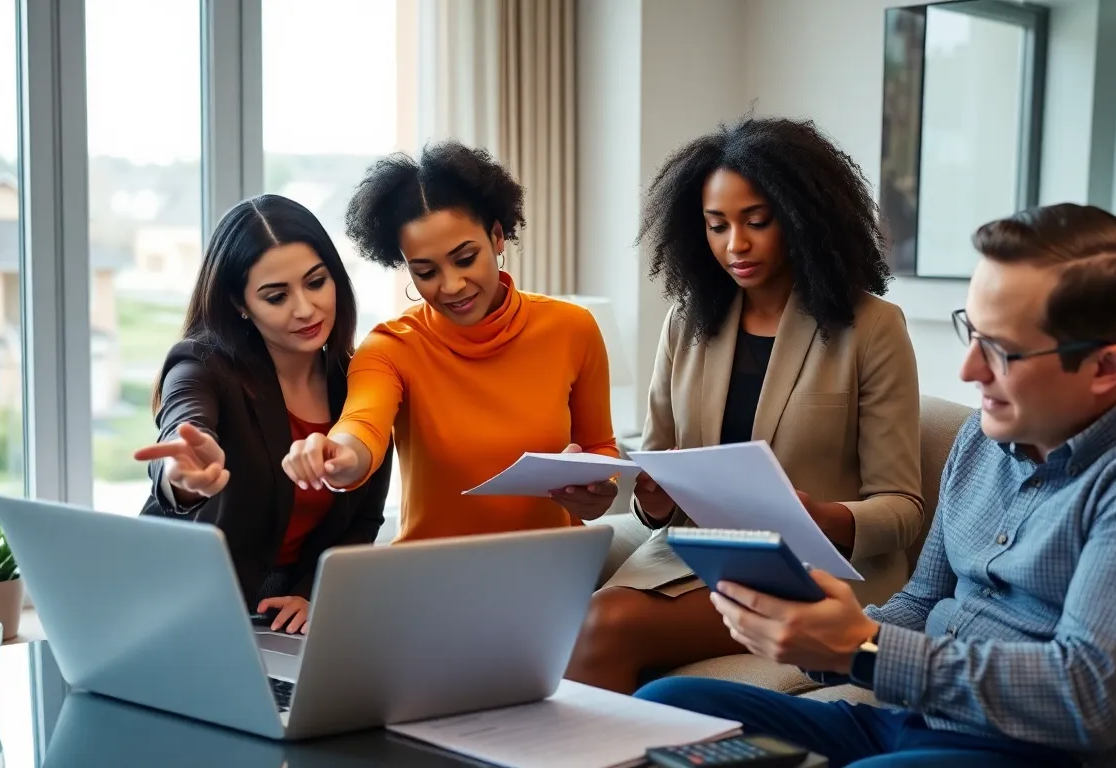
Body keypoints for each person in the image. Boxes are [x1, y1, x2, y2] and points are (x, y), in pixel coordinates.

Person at [636, 203, 1116, 768]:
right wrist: (817, 635)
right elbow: (923, 604)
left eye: (1001, 350)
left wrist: (862, 650)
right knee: (666, 707)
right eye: (971, 332)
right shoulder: (984, 438)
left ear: (1105, 368)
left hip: (1046, 754)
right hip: (919, 724)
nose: (969, 370)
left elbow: (1088, 700)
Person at [565, 116, 923, 693]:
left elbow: (903, 508)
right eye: (717, 225)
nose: (737, 244)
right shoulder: (687, 323)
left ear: (805, 216)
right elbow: (658, 473)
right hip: (697, 559)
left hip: (811, 573)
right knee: (568, 614)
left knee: (605, 624)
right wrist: (655, 499)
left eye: (758, 221)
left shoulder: (872, 328)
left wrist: (822, 516)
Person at [280, 141, 619, 540]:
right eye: (426, 272)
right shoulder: (390, 347)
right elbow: (360, 426)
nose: (452, 286)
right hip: (432, 576)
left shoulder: (572, 328)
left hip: (550, 564)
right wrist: (339, 456)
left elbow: (600, 447)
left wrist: (600, 491)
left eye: (464, 258)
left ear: (496, 236)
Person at [134, 195, 394, 635]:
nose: (306, 309)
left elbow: (364, 519)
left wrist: (315, 593)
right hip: (177, 606)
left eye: (316, 282)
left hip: (279, 615)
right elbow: (185, 422)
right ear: (240, 304)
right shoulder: (202, 364)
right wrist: (182, 474)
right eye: (276, 296)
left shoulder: (363, 380)